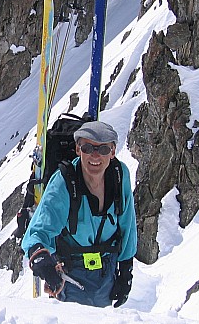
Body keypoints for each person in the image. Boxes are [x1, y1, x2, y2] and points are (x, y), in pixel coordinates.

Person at [21, 120, 137, 307]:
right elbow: (38, 232)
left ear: (113, 152)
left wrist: (126, 270)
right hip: (70, 275)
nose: (95, 156)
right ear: (77, 149)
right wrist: (45, 264)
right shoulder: (64, 181)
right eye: (87, 148)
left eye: (104, 150)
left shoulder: (119, 175)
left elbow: (127, 225)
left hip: (107, 273)